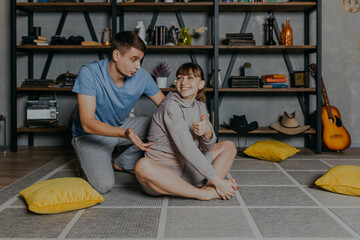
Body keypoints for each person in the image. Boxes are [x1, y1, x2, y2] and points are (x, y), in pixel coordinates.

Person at [71, 31, 165, 194]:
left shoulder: (141, 76)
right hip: (90, 136)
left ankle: (123, 162)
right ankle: (84, 161)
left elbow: (166, 107)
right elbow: (87, 123)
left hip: (121, 127)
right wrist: (124, 134)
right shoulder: (89, 73)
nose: (138, 66)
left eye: (140, 61)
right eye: (134, 60)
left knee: (163, 123)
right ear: (116, 55)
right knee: (103, 186)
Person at [134, 63, 238, 200]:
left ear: (201, 84)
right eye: (180, 78)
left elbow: (206, 148)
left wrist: (207, 133)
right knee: (142, 167)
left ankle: (209, 187)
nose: (183, 82)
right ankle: (205, 194)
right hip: (164, 176)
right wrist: (218, 180)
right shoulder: (170, 105)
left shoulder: (200, 106)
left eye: (190, 78)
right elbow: (186, 147)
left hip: (189, 170)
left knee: (229, 146)